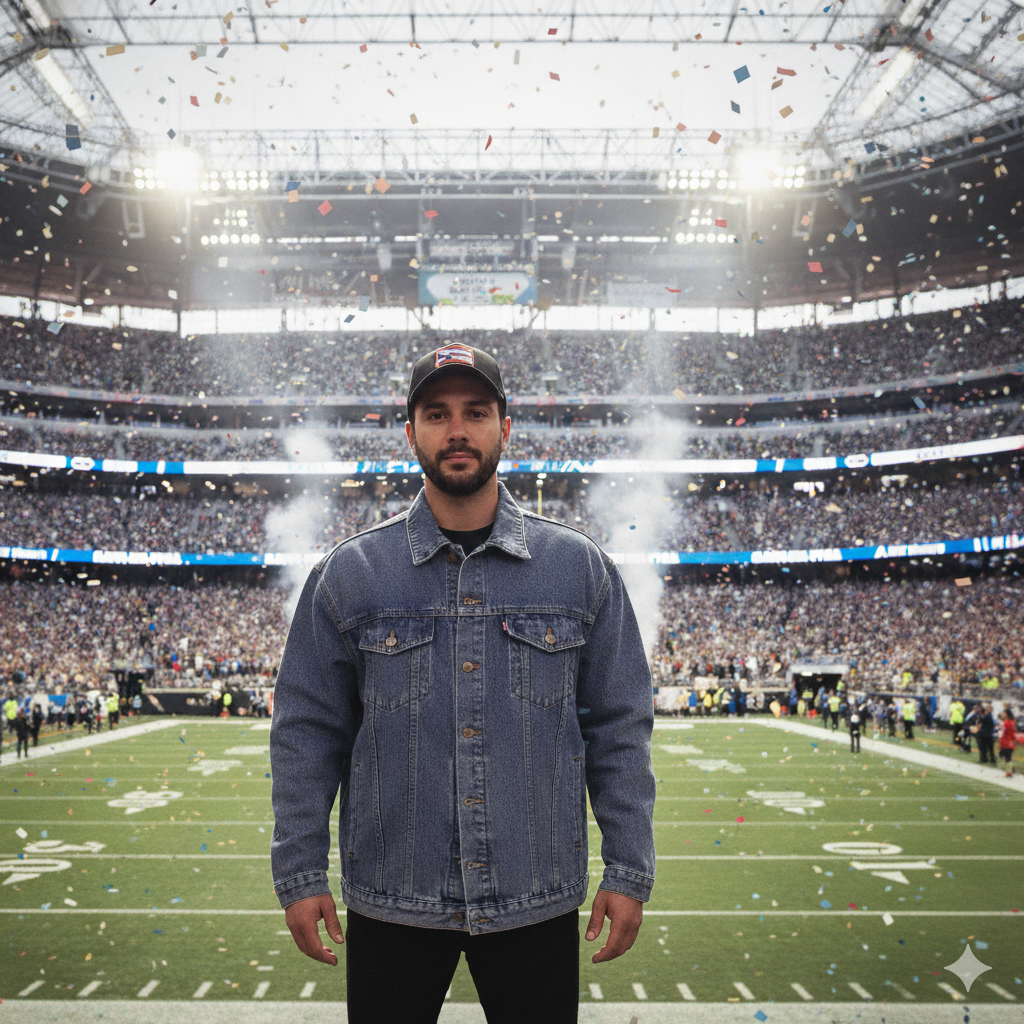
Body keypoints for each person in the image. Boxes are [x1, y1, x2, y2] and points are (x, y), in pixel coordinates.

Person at [269, 344, 655, 1024]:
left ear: (505, 428)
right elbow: (306, 734)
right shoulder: (349, 575)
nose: (457, 431)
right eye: (436, 413)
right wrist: (300, 873)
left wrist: (628, 868)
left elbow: (620, 727)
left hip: (534, 892)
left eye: (476, 412)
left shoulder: (579, 569)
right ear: (409, 431)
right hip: (394, 894)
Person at [998, 707, 1017, 776]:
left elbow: (1003, 732)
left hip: (1005, 741)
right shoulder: (1012, 722)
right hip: (1010, 742)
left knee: (1003, 756)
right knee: (1008, 757)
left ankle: (1009, 770)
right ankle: (1011, 769)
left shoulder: (1006, 723)